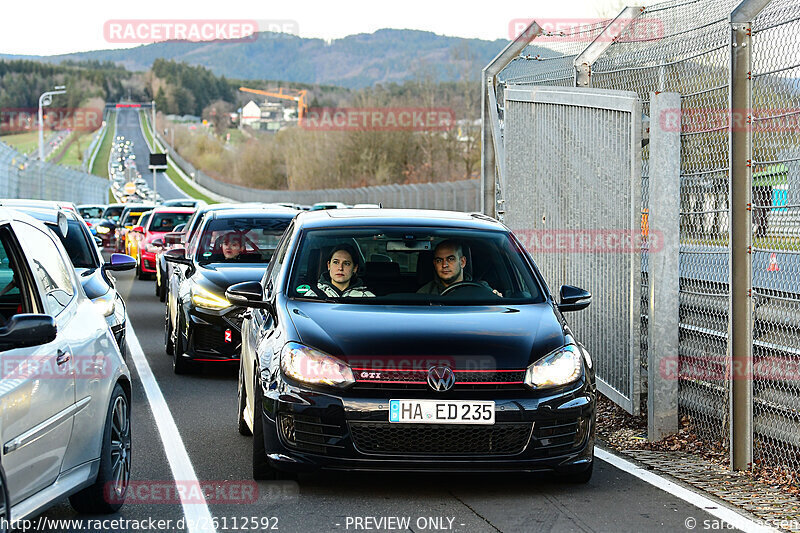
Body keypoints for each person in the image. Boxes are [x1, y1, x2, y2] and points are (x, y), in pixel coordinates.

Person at [417, 240, 501, 296]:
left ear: (462, 262)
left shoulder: (481, 289)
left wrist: (497, 301)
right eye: (439, 260)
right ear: (435, 264)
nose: (444, 265)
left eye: (450, 259)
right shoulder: (425, 293)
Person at [304, 244, 374, 298]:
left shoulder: (367, 297)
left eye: (346, 263)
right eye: (336, 262)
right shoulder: (312, 295)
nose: (340, 268)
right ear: (329, 265)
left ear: (354, 268)